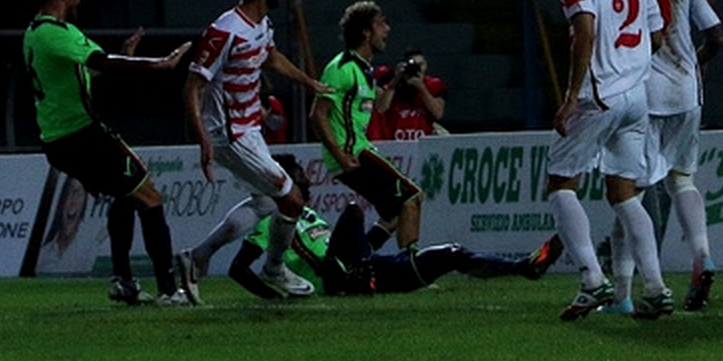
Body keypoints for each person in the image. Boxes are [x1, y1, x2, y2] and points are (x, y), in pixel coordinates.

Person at [24, 0, 197, 305]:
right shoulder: (55, 32)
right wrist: (159, 64)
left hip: (58, 140)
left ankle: (124, 282)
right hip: (81, 136)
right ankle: (168, 289)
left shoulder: (35, 32)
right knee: (149, 196)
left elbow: (86, 70)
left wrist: (126, 56)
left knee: (126, 195)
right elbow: (102, 62)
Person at [546, 0, 672, 321]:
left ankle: (591, 279)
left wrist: (570, 96)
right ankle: (655, 287)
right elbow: (657, 36)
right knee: (624, 193)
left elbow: (584, 32)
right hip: (637, 97)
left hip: (598, 95)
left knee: (561, 183)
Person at [179, 0, 330, 298]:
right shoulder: (225, 31)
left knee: (267, 202)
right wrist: (203, 140)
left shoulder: (260, 25)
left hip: (249, 130)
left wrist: (309, 82)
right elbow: (192, 86)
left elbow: (271, 57)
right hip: (228, 134)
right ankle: (275, 267)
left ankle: (196, 257)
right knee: (292, 199)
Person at [608, 0, 723, 313]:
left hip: (639, 94)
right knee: (683, 178)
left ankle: (623, 293)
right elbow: (716, 35)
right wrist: (698, 65)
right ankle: (703, 255)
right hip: (685, 91)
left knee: (627, 195)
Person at [226, 156, 562, 298]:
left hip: (367, 272)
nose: (305, 178)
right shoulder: (271, 218)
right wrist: (276, 297)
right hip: (337, 278)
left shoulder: (310, 215)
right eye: (297, 174)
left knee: (451, 254)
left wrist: (386, 228)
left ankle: (525, 267)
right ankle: (356, 277)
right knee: (354, 210)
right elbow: (238, 269)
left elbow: (357, 250)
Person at [309, 1, 425, 253]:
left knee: (395, 213)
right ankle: (411, 268)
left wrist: (393, 82)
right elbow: (317, 115)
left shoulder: (363, 70)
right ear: (365, 31)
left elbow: (379, 109)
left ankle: (358, 257)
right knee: (411, 197)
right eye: (381, 22)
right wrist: (340, 155)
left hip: (356, 150)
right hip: (352, 153)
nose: (388, 29)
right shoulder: (341, 68)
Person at [366, 49, 448, 141]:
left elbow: (438, 114)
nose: (417, 69)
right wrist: (395, 81)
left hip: (421, 143)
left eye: (420, 65)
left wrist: (422, 88)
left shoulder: (433, 85)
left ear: (426, 66)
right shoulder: (392, 84)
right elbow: (381, 109)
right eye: (413, 65)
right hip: (395, 143)